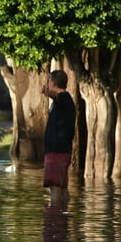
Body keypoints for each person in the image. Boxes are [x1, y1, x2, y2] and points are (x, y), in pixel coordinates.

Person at [42, 69, 76, 208]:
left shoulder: (65, 97)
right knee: (62, 187)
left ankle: (54, 222)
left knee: (55, 186)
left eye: (49, 82)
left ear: (53, 82)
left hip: (57, 151)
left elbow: (57, 96)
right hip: (60, 151)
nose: (48, 84)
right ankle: (63, 219)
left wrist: (46, 92)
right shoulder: (61, 102)